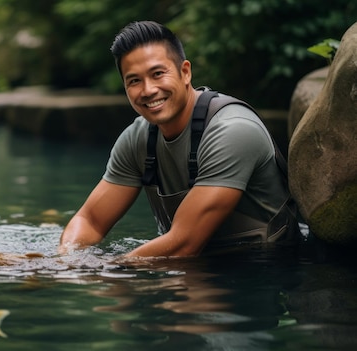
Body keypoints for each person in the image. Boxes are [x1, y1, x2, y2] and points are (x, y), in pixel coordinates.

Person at [58, 21, 297, 258]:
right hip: (190, 268)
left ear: (185, 72)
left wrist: (103, 268)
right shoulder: (138, 138)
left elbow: (184, 245)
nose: (148, 90)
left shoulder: (233, 130)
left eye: (158, 74)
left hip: (263, 271)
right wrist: (66, 261)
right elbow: (90, 220)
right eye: (134, 81)